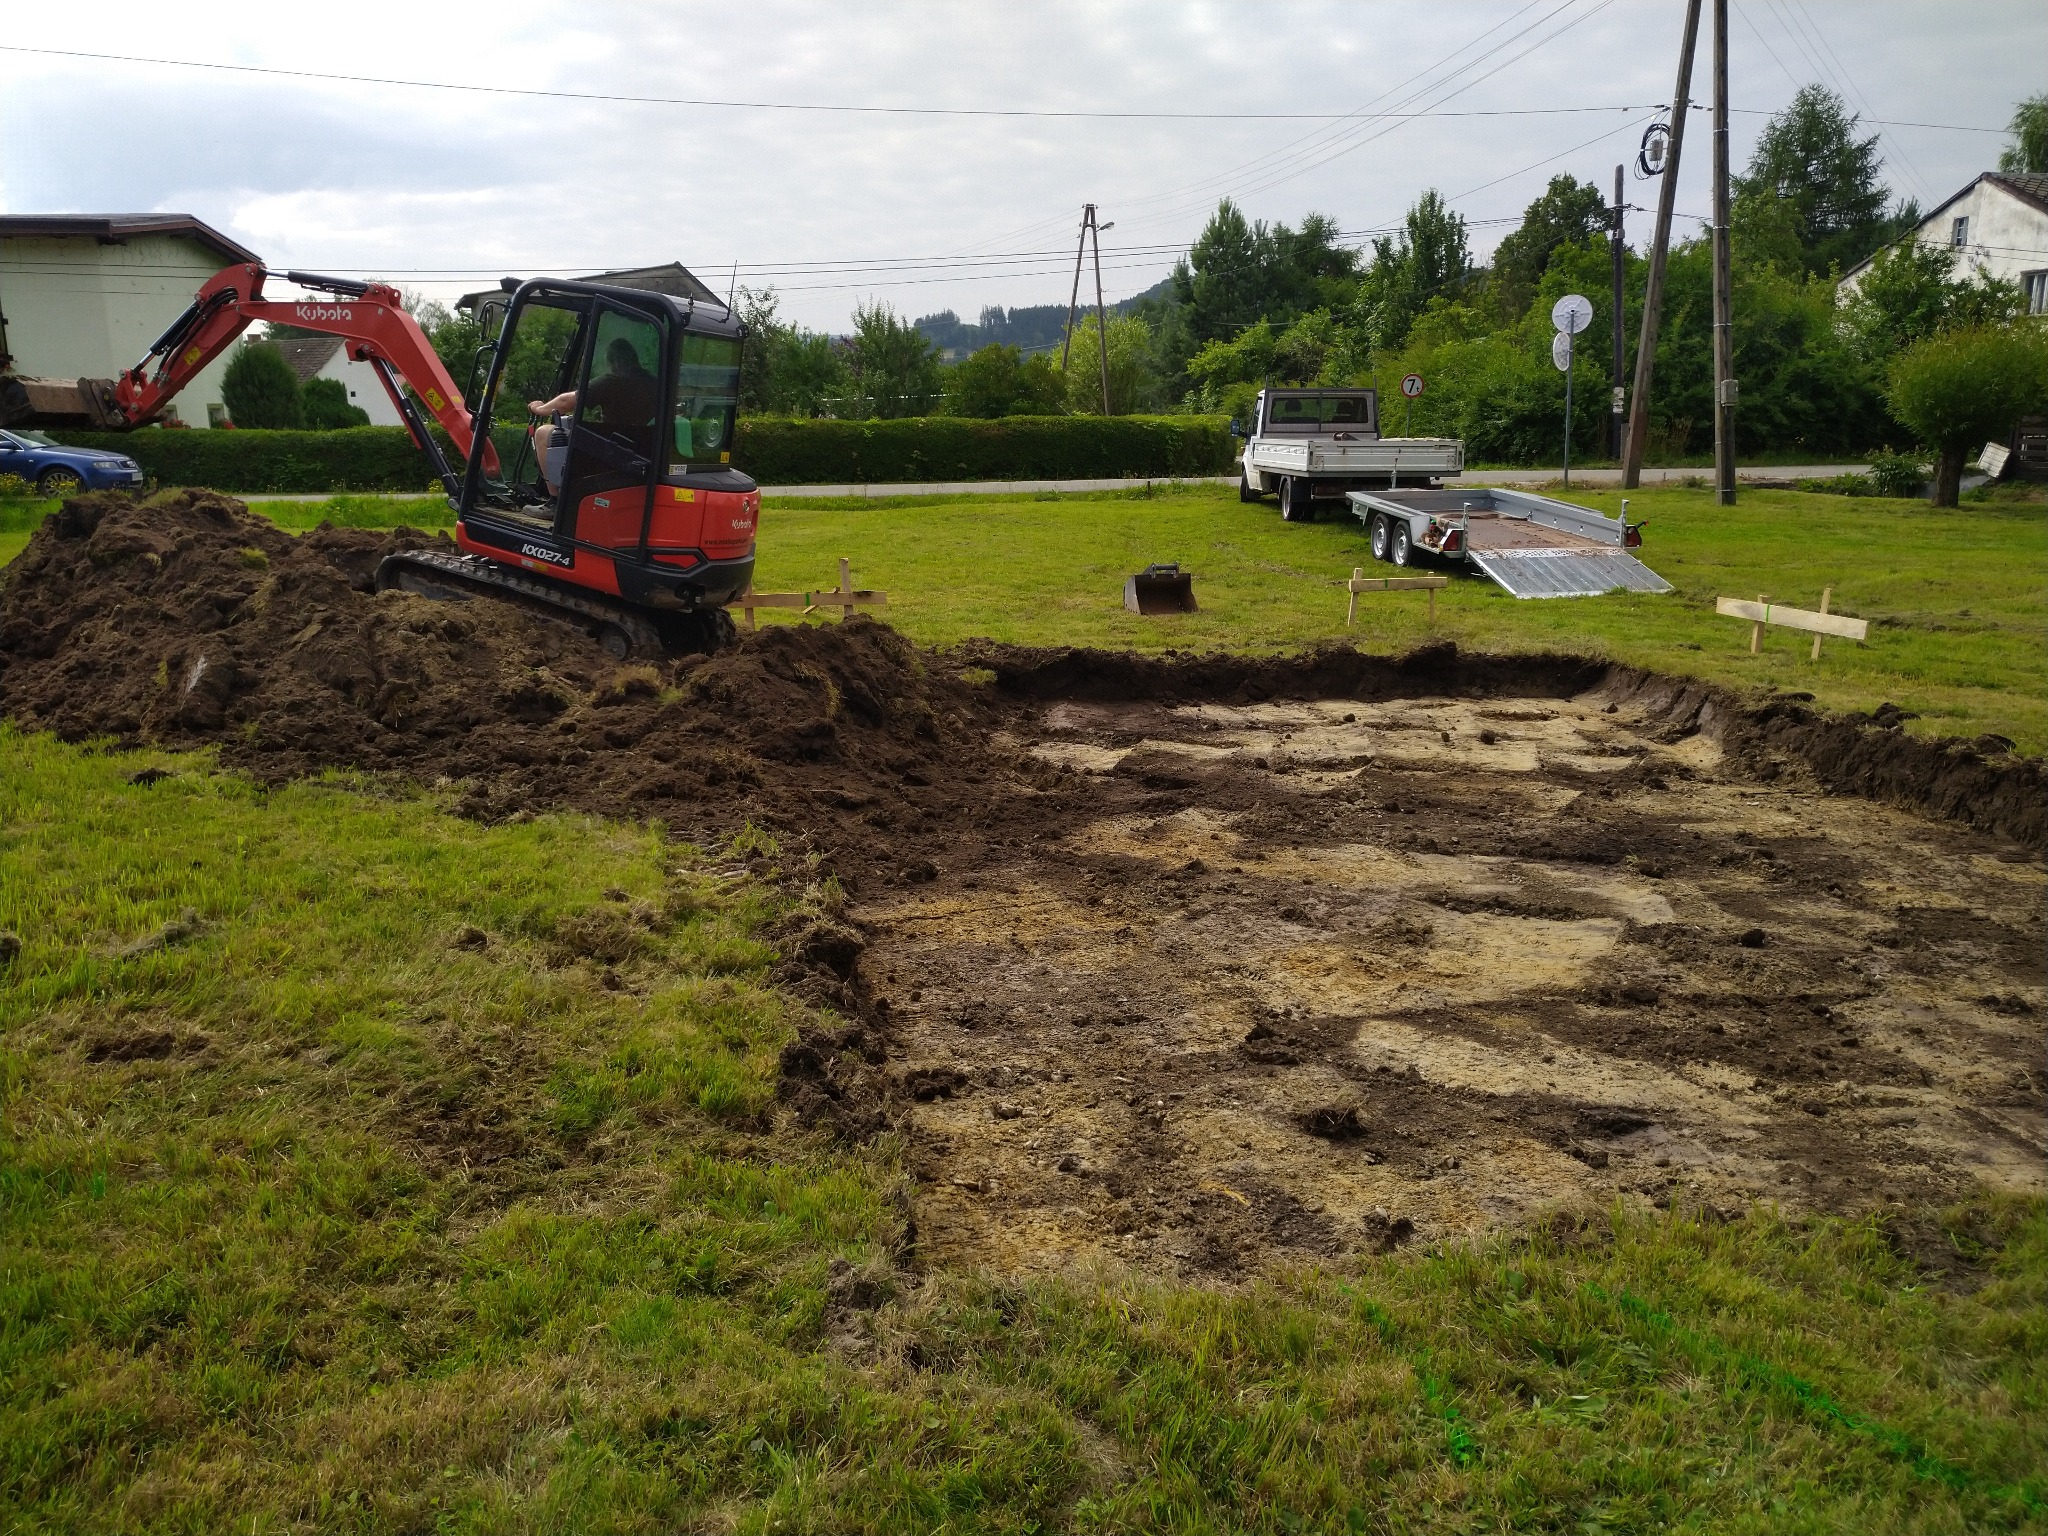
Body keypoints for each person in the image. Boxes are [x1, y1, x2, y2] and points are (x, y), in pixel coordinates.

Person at [527, 337, 659, 493]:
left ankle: (554, 500)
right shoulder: (653, 384)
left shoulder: (612, 382)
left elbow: (565, 402)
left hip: (608, 446)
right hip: (639, 447)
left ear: (615, 362)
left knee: (543, 433)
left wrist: (539, 408)